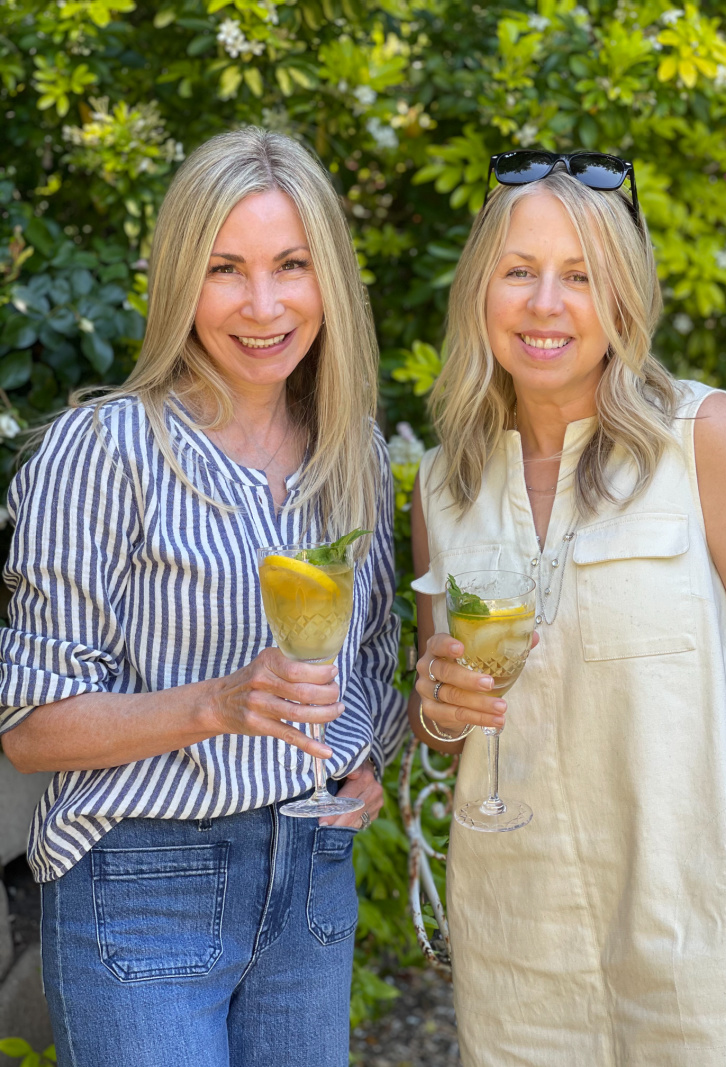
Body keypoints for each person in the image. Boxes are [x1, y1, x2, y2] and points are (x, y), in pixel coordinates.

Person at [0, 127, 405, 1067]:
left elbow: (370, 660)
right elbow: (29, 727)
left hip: (311, 876)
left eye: (291, 265)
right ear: (182, 278)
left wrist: (363, 758)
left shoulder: (355, 460)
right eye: (226, 268)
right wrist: (218, 703)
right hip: (144, 879)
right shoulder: (103, 453)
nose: (262, 305)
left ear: (329, 280)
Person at [409, 150, 726, 1065]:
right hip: (516, 959)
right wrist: (435, 701)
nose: (547, 304)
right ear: (480, 292)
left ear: (622, 297)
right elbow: (453, 725)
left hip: (699, 963)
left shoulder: (702, 439)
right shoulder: (444, 486)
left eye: (580, 276)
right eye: (519, 271)